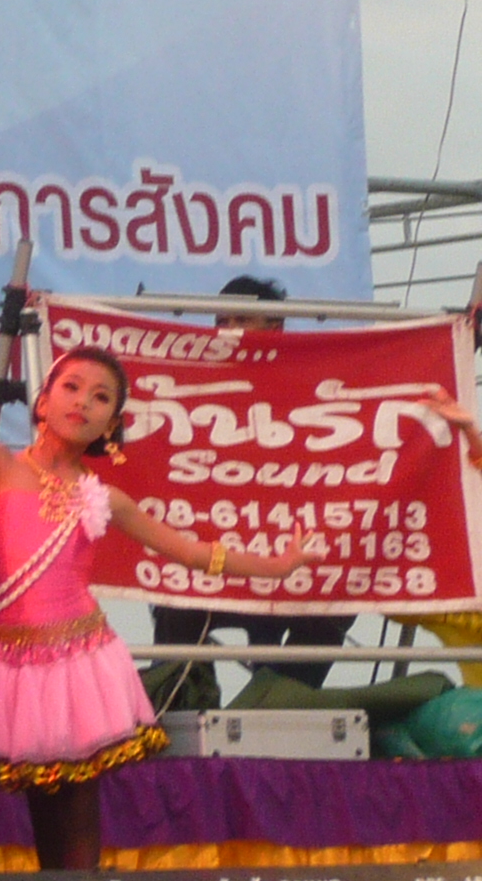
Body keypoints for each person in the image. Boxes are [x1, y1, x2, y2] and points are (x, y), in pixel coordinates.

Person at [0, 263, 304, 870]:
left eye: (100, 398)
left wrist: (279, 566)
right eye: (71, 387)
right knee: (44, 806)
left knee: (76, 808)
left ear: (110, 424)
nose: (83, 403)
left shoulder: (105, 496)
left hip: (78, 662)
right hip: (13, 662)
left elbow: (193, 553)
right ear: (43, 400)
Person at [147, 276, 352, 704]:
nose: (229, 330)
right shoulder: (190, 383)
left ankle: (275, 703)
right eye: (222, 321)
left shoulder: (315, 380)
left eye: (242, 320)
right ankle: (183, 704)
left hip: (292, 561)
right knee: (172, 597)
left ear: (276, 327)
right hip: (216, 559)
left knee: (336, 603)